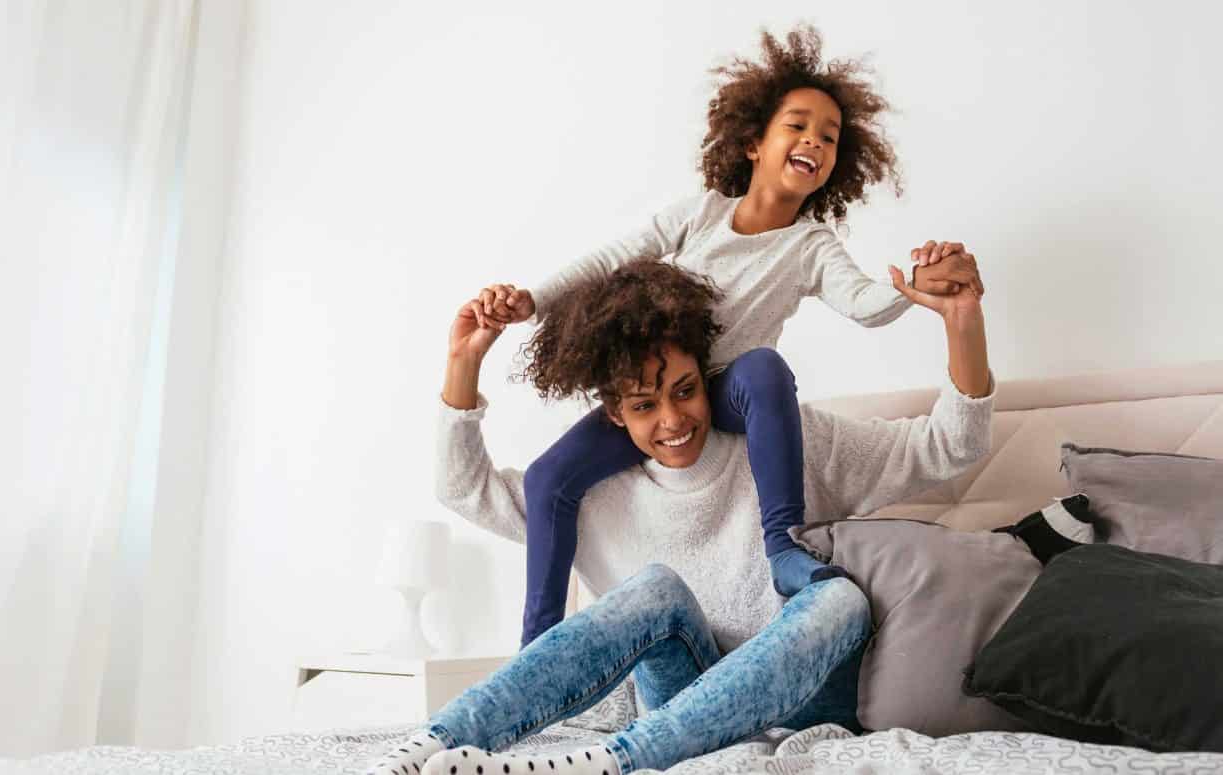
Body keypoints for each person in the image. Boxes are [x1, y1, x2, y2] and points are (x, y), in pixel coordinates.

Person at [462, 23, 981, 650]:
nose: (814, 141)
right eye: (798, 125)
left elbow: (864, 302)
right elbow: (609, 261)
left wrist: (909, 286)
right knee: (548, 478)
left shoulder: (811, 245)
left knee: (764, 369)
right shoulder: (699, 214)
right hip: (666, 389)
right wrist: (531, 300)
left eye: (830, 136)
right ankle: (538, 644)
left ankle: (783, 546)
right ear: (754, 142)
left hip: (728, 394)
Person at [366, 257, 993, 775]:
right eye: (644, 405)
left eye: (685, 391)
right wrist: (463, 364)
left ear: (707, 377)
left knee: (841, 601)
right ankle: (426, 748)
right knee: (656, 588)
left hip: (809, 699)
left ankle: (611, 762)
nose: (672, 421)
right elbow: (464, 489)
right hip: (680, 702)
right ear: (613, 413)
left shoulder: (789, 442)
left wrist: (963, 322)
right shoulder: (593, 494)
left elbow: (947, 447)